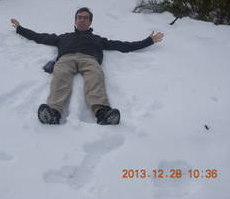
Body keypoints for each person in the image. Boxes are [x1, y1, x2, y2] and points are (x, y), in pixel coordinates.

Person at [11, 7, 164, 125]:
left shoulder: (97, 39)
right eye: (79, 17)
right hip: (66, 58)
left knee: (96, 76)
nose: (82, 20)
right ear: (75, 20)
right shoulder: (64, 37)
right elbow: (40, 37)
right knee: (61, 76)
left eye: (85, 18)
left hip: (90, 59)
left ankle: (103, 113)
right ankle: (53, 112)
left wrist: (148, 41)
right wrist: (20, 29)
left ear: (90, 22)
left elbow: (123, 45)